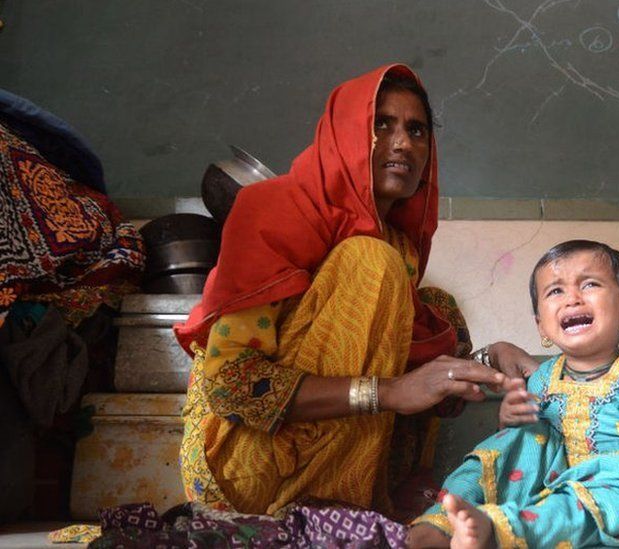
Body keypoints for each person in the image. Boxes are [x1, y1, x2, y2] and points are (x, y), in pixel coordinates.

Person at [173, 64, 536, 520]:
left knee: (435, 306)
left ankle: (341, 506)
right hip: (245, 466)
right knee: (370, 261)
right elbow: (231, 387)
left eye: (417, 130)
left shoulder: (400, 247)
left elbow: (427, 384)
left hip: (348, 466)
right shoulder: (272, 209)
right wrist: (387, 392)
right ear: (344, 132)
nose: (402, 143)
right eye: (380, 124)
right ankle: (321, 512)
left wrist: (488, 360)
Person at [408, 240, 619, 548]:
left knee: (569, 507)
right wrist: (510, 418)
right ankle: (439, 521)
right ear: (542, 327)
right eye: (555, 291)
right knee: (504, 446)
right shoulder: (543, 377)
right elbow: (524, 455)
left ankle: (496, 531)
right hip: (557, 483)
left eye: (590, 284)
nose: (572, 297)